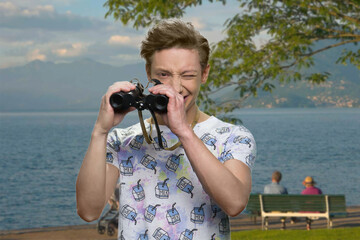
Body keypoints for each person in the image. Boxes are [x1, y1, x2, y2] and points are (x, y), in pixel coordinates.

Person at [76, 19, 256, 240]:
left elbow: (235, 203)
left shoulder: (232, 137)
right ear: (148, 71)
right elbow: (88, 211)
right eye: (164, 74)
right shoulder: (122, 140)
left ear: (205, 73)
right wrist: (100, 132)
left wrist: (183, 131)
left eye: (188, 75)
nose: (176, 87)